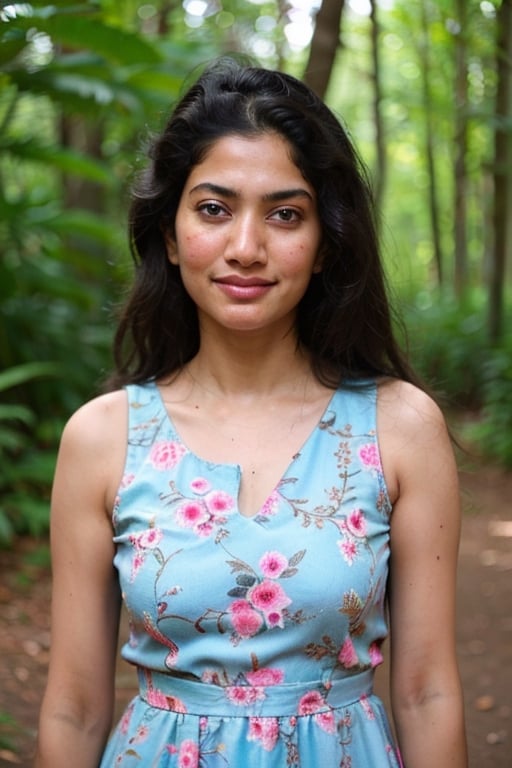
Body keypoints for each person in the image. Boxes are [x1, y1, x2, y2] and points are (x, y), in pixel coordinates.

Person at [35, 58, 467, 768]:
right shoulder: (104, 437)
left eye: (285, 215)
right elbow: (74, 707)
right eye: (213, 209)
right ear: (170, 236)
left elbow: (426, 693)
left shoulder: (401, 427)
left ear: (326, 241)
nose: (246, 248)